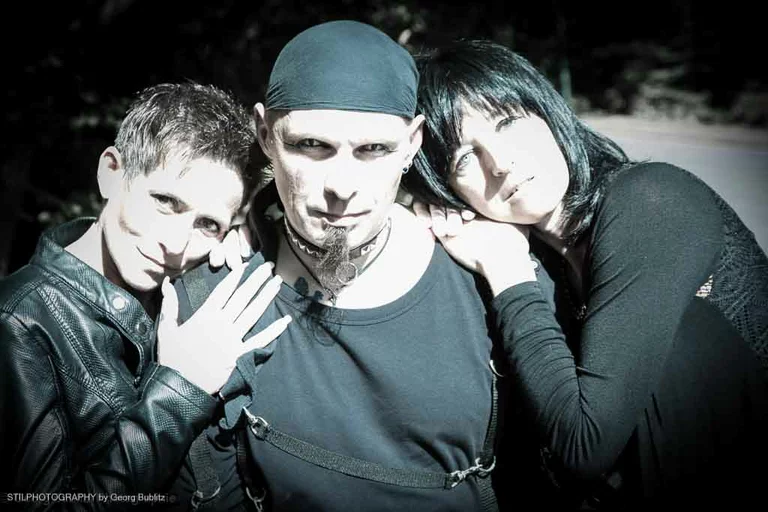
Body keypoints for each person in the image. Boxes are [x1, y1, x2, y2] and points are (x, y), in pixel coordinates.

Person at [168, 20, 564, 512]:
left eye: (373, 150)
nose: (342, 186)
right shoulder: (213, 302)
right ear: (265, 135)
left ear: (413, 144)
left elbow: (555, 467)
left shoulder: (493, 276)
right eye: (311, 146)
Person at [407, 39, 768, 509]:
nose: (500, 163)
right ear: (449, 189)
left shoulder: (652, 201)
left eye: (507, 123)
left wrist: (506, 269)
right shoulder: (545, 256)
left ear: (548, 113)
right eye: (464, 158)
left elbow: (584, 446)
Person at [0, 82, 290, 509]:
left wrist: (251, 236)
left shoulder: (180, 289)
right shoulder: (18, 321)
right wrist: (180, 389)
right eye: (165, 201)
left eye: (207, 224)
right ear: (111, 173)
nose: (176, 243)